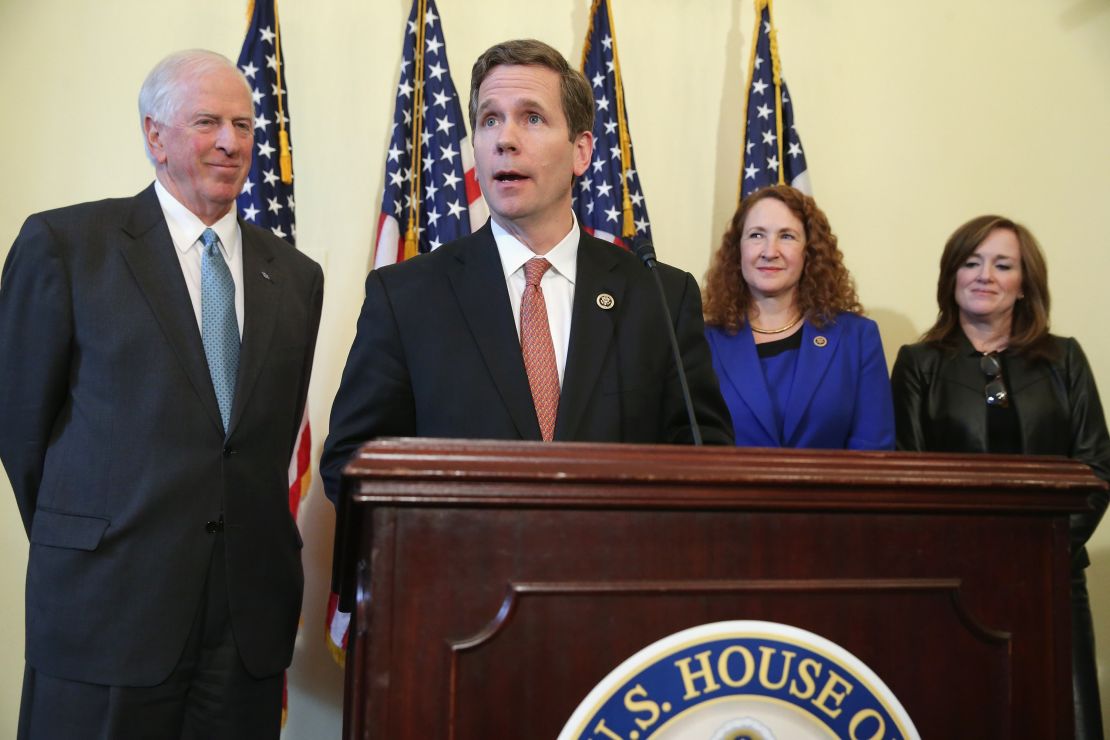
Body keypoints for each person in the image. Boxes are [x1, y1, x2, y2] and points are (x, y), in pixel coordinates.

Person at [0, 50, 323, 738]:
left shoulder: (296, 276)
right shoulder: (65, 245)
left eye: (243, 124)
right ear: (155, 134)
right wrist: (93, 533)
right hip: (106, 608)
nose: (232, 142)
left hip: (244, 625)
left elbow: (261, 443)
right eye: (207, 122)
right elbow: (21, 427)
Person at [321, 38, 732, 503]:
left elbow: (705, 460)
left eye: (532, 118)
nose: (505, 139)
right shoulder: (407, 296)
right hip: (460, 569)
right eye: (489, 119)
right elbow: (351, 462)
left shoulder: (659, 296)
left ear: (581, 152)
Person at [891, 214, 1108, 739]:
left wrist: (1044, 551)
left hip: (1055, 579)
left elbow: (1096, 467)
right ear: (951, 276)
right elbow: (908, 475)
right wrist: (975, 559)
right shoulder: (920, 364)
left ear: (1024, 284)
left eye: (1002, 264)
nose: (984, 275)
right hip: (957, 586)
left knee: (1063, 719)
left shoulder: (1065, 360)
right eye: (971, 262)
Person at [702, 185, 894, 449]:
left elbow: (873, 451)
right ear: (738, 251)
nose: (770, 251)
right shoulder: (703, 342)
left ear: (809, 251)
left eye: (787, 236)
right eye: (756, 235)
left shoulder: (858, 338)